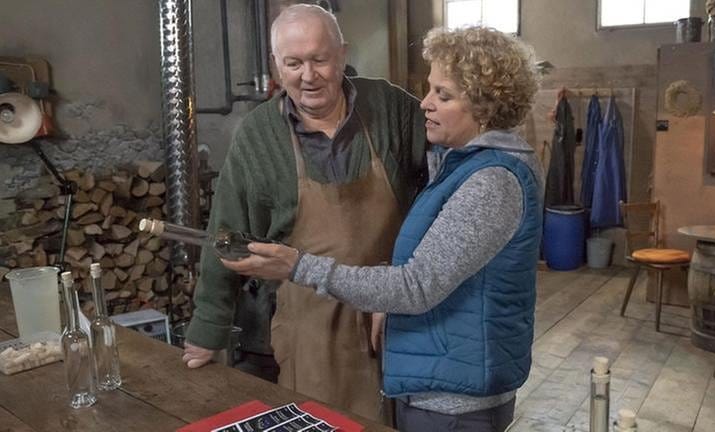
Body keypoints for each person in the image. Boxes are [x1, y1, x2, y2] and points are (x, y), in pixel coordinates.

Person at [224, 26, 543, 432]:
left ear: (485, 106)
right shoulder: (460, 164)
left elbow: (416, 287)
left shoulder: (491, 182)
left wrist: (298, 267)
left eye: (443, 95)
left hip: (455, 402)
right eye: (429, 89)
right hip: (433, 377)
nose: (424, 104)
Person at [182, 4, 427, 422]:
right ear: (276, 64)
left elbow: (438, 196)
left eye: (319, 59)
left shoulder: (393, 109)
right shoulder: (259, 135)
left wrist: (404, 272)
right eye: (293, 63)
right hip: (312, 326)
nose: (307, 76)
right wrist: (209, 329)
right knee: (322, 423)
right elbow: (228, 235)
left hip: (397, 313)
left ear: (342, 54)